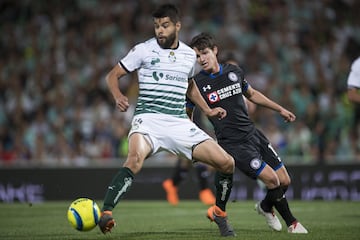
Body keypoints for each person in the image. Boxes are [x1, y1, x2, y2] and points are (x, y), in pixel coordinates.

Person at [98, 5, 235, 237]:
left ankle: (219, 213)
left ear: (177, 26)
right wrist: (118, 95)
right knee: (134, 159)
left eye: (165, 25)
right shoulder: (142, 50)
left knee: (227, 163)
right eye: (156, 26)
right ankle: (106, 213)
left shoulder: (189, 56)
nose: (159, 31)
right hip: (148, 120)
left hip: (179, 122)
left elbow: (190, 86)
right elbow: (113, 75)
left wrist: (208, 111)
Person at [188, 32, 308, 234]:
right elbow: (188, 113)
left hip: (254, 134)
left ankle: (265, 207)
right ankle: (292, 223)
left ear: (215, 51)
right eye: (197, 56)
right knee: (272, 180)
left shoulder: (234, 71)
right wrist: (190, 140)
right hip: (232, 144)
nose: (202, 59)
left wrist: (279, 109)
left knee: (284, 181)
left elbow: (252, 94)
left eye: (205, 53)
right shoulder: (196, 83)